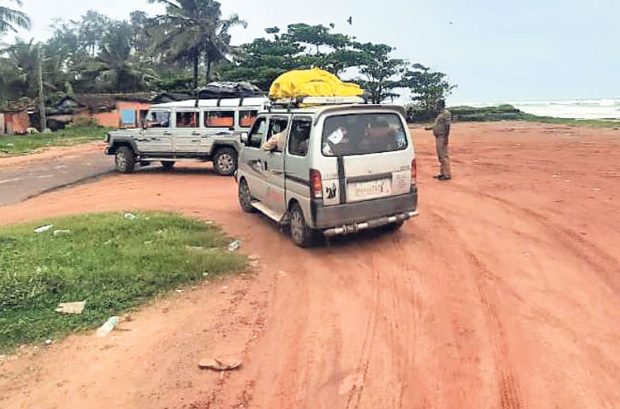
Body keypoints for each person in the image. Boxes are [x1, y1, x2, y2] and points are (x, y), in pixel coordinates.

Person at [425, 99, 452, 181]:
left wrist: (446, 137)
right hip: (438, 136)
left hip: (442, 136)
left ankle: (447, 174)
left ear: (440, 104)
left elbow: (447, 126)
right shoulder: (440, 114)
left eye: (437, 104)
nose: (435, 106)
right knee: (440, 156)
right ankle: (443, 173)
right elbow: (437, 125)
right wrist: (429, 128)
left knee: (443, 155)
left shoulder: (446, 113)